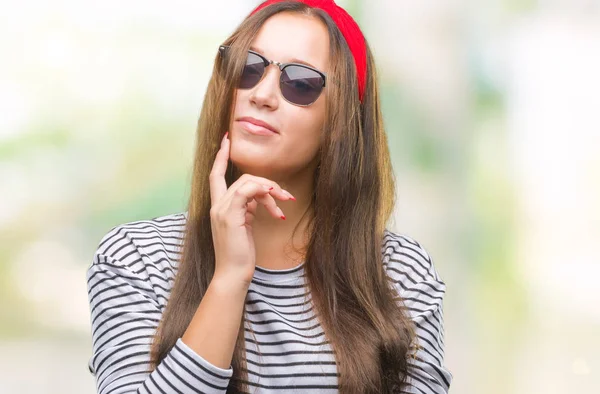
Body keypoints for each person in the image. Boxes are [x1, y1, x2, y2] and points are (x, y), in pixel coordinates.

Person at [85, 0, 453, 393]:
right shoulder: (138, 258)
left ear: (340, 124)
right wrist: (228, 279)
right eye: (248, 67)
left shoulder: (399, 273)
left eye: (301, 83)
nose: (261, 94)